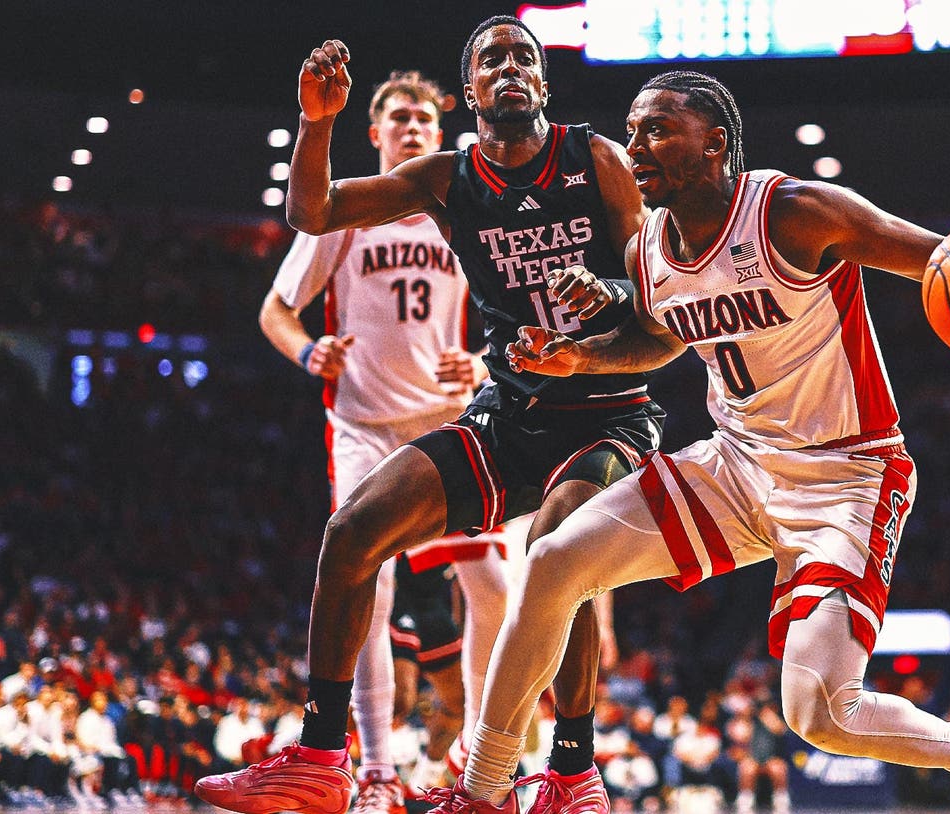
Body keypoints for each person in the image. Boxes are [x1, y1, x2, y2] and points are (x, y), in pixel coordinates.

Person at [431, 70, 950, 814]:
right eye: (633, 128)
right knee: (553, 560)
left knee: (821, 711)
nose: (636, 144)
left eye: (658, 128)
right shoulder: (645, 251)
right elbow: (655, 338)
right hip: (737, 462)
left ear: (715, 145)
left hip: (847, 473)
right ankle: (484, 789)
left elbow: (944, 260)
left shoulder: (794, 212)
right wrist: (581, 356)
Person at [194, 15, 659, 814]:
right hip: (507, 416)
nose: (509, 67)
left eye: (524, 57)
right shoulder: (446, 180)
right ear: (471, 90)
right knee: (351, 534)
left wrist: (607, 298)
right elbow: (313, 212)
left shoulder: (598, 160)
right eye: (491, 59)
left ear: (542, 84)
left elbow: (658, 308)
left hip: (606, 414)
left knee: (556, 551)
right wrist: (317, 123)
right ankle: (320, 758)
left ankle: (572, 773)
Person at [256, 68, 497, 814]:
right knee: (370, 582)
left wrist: (483, 358)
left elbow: (515, 315)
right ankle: (379, 770)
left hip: (446, 420)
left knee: (498, 587)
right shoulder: (350, 212)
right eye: (399, 117)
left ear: (439, 134)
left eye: (424, 119)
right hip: (362, 429)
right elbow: (275, 309)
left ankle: (477, 756)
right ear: (376, 133)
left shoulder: (460, 211)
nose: (413, 127)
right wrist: (307, 351)